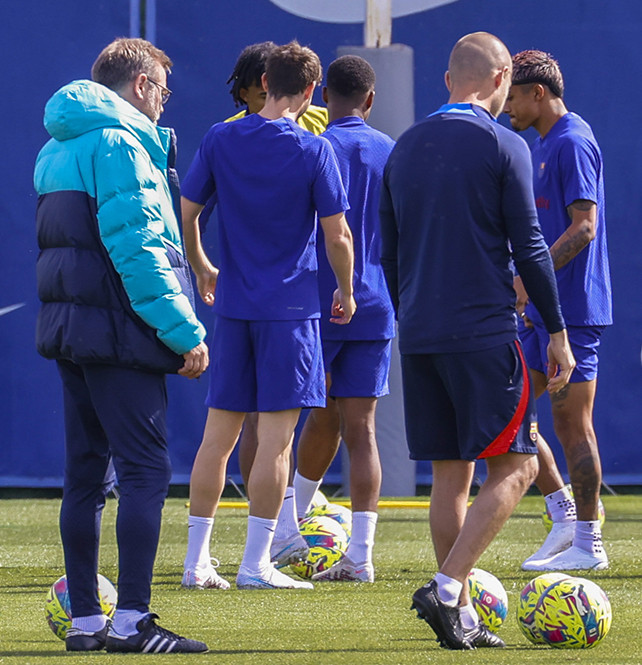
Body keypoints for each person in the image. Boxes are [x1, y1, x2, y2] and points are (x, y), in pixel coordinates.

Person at [379, 32, 575, 650]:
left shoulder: (404, 146)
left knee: (450, 476)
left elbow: (388, 252)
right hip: (484, 330)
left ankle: (460, 619)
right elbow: (532, 246)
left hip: (420, 332)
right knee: (517, 466)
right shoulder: (504, 143)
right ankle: (444, 588)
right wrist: (558, 331)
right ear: (498, 81)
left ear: (445, 81)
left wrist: (412, 310)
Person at [35, 37, 210, 654]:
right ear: (139, 85)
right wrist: (185, 332)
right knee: (144, 471)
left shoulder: (57, 146)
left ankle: (85, 622)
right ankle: (133, 621)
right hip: (120, 332)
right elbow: (138, 252)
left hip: (72, 334)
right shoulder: (121, 143)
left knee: (84, 477)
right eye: (162, 88)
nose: (165, 102)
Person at [180, 41, 356, 592]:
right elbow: (338, 234)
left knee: (217, 439)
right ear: (309, 91)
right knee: (277, 442)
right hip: (291, 314)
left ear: (263, 80)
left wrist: (202, 264)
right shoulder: (314, 149)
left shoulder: (220, 136)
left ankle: (196, 562)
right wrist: (347, 290)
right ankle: (255, 563)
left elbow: (186, 210)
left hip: (233, 311)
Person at [282, 55, 394, 583]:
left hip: (316, 301)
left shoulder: (315, 146)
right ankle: (361, 556)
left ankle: (286, 529)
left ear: (323, 95)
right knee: (361, 429)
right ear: (370, 100)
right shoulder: (392, 152)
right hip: (375, 303)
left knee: (293, 418)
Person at [502, 50, 611, 572]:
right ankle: (566, 518)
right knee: (514, 415)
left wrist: (530, 276)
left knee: (572, 426)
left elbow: (584, 227)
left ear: (537, 93)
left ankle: (589, 545)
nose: (506, 110)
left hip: (575, 310)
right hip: (541, 310)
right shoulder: (544, 143)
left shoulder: (572, 140)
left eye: (513, 98)